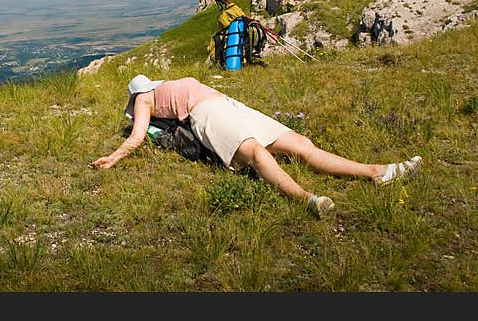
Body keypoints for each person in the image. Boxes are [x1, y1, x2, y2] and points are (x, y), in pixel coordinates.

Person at [91, 74, 423, 218]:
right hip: (206, 114)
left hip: (230, 105)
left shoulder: (153, 91)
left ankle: (378, 172)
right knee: (256, 153)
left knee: (301, 144)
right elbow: (137, 135)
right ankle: (307, 200)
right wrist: (115, 157)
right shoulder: (144, 102)